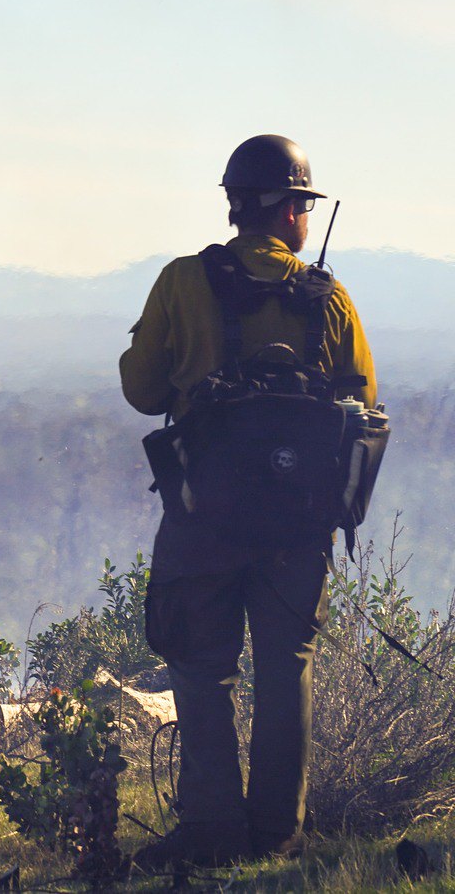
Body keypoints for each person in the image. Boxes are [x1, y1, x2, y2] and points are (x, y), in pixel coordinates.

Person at [118, 134, 376, 869]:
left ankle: (210, 832)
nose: (303, 217)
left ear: (236, 205)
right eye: (302, 203)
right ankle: (276, 834)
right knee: (285, 663)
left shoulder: (181, 281)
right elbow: (364, 403)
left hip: (203, 515)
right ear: (289, 210)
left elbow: (141, 392)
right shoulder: (328, 298)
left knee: (201, 668)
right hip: (297, 525)